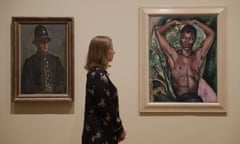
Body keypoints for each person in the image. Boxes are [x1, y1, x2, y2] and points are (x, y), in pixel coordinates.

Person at [155, 19, 215, 102]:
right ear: (180, 39)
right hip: (181, 100)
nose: (186, 42)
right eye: (184, 38)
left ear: (194, 40)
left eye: (190, 38)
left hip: (196, 99)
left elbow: (212, 34)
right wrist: (174, 22)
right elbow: (158, 32)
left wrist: (196, 22)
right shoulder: (174, 56)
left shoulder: (198, 56)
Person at [82, 35, 126, 144]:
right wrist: (119, 129)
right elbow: (107, 109)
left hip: (99, 135)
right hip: (100, 137)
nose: (113, 52)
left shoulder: (96, 75)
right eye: (111, 48)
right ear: (103, 52)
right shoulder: (98, 77)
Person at [21, 25, 66, 94]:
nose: (45, 44)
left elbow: (63, 82)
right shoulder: (29, 62)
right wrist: (42, 92)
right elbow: (26, 86)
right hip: (36, 100)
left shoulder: (56, 60)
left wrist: (53, 92)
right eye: (42, 42)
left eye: (47, 41)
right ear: (36, 43)